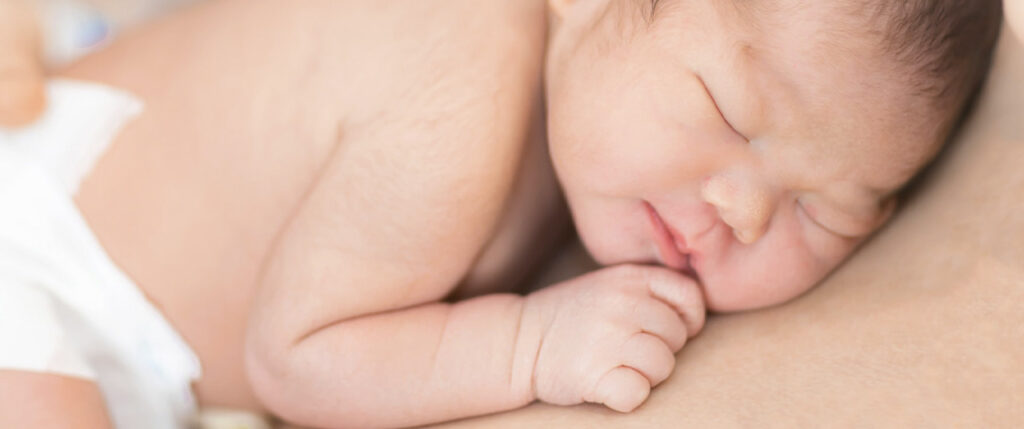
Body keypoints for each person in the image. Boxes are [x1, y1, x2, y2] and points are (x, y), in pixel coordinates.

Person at [0, 0, 1005, 428]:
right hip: (32, 252)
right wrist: (529, 347)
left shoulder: (594, 169)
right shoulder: (461, 82)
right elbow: (295, 360)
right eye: (727, 112)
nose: (741, 209)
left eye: (818, 212)